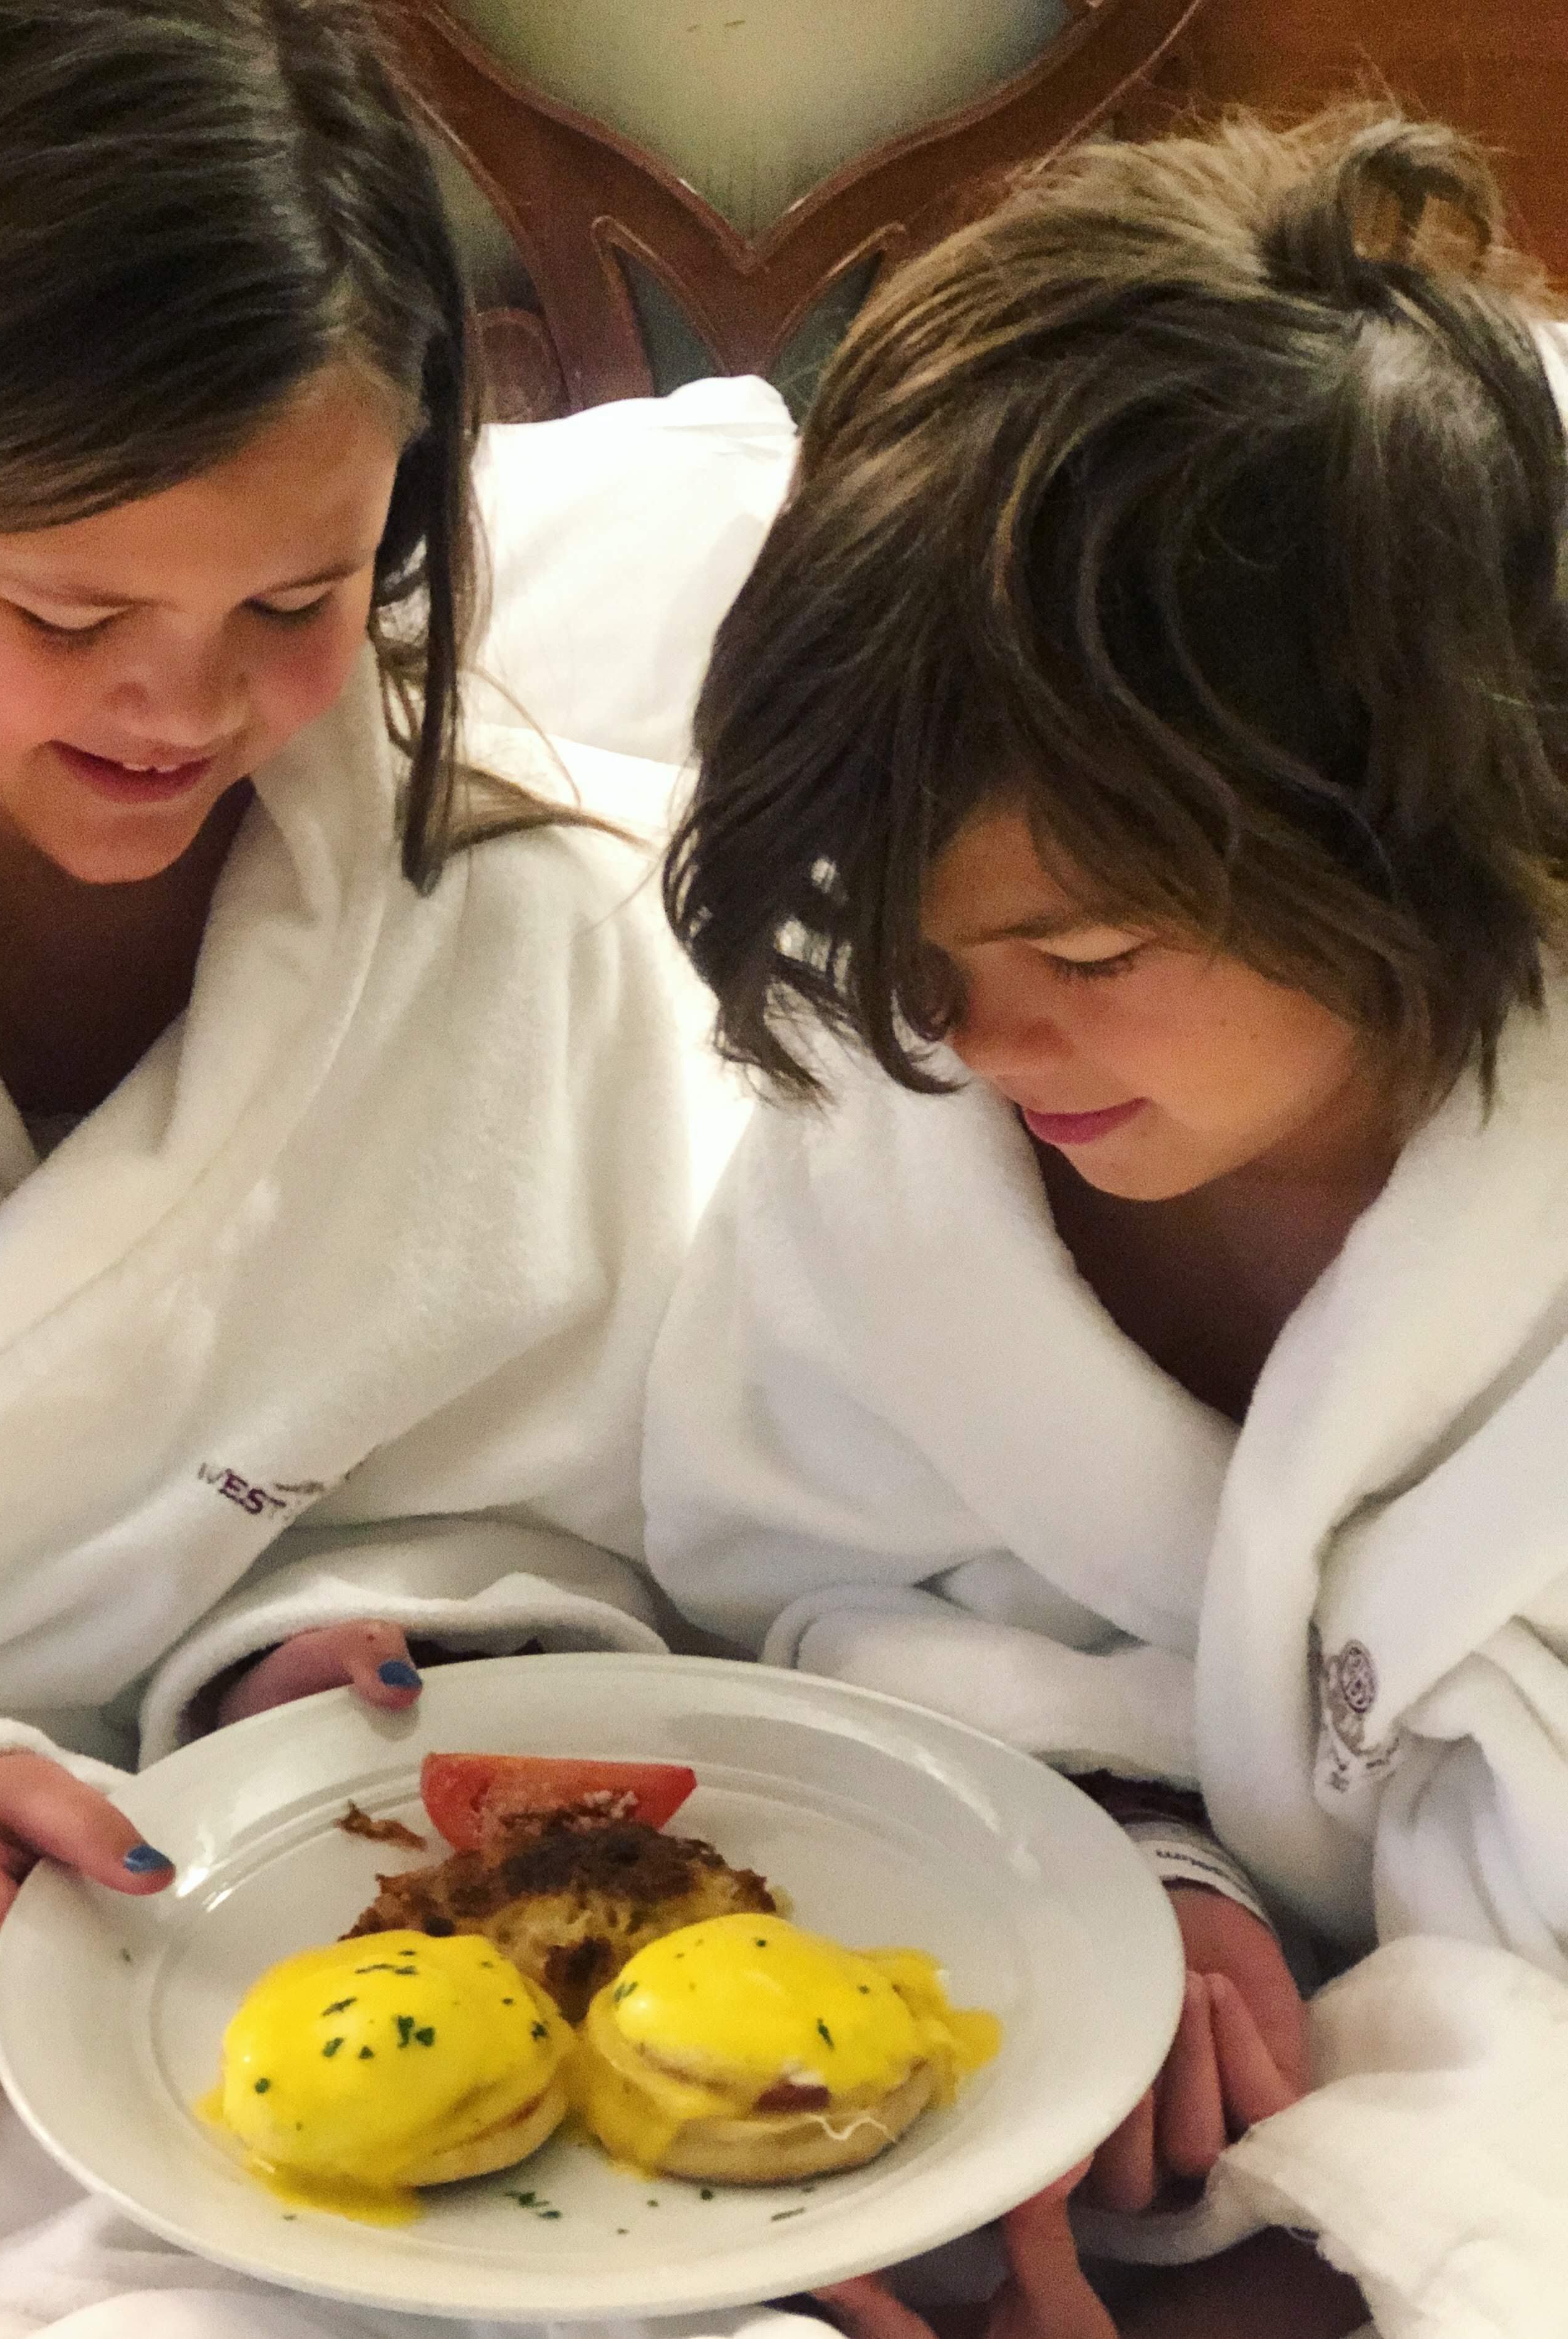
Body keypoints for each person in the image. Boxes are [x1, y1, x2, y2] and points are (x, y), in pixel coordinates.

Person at [0, 6, 775, 2336]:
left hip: (268, 1924)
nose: (188, 711)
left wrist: (337, 1633)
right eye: (70, 619)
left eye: (300, 602)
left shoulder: (502, 917)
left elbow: (566, 1476)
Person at [648, 106, 1568, 2338]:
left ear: (1410, 827)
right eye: (916, 942)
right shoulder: (897, 1115)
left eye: (1093, 948)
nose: (980, 1043)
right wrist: (1120, 1847)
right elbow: (818, 1606)